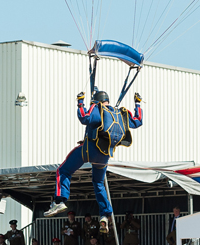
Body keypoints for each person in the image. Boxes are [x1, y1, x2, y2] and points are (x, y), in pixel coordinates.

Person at [46, 90, 144, 218]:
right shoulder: (119, 113)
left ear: (97, 101)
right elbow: (138, 121)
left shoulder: (98, 109)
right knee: (98, 182)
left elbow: (84, 117)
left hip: (89, 151)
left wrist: (80, 102)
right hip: (104, 156)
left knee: (63, 170)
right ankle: (105, 213)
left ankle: (59, 201)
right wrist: (137, 104)